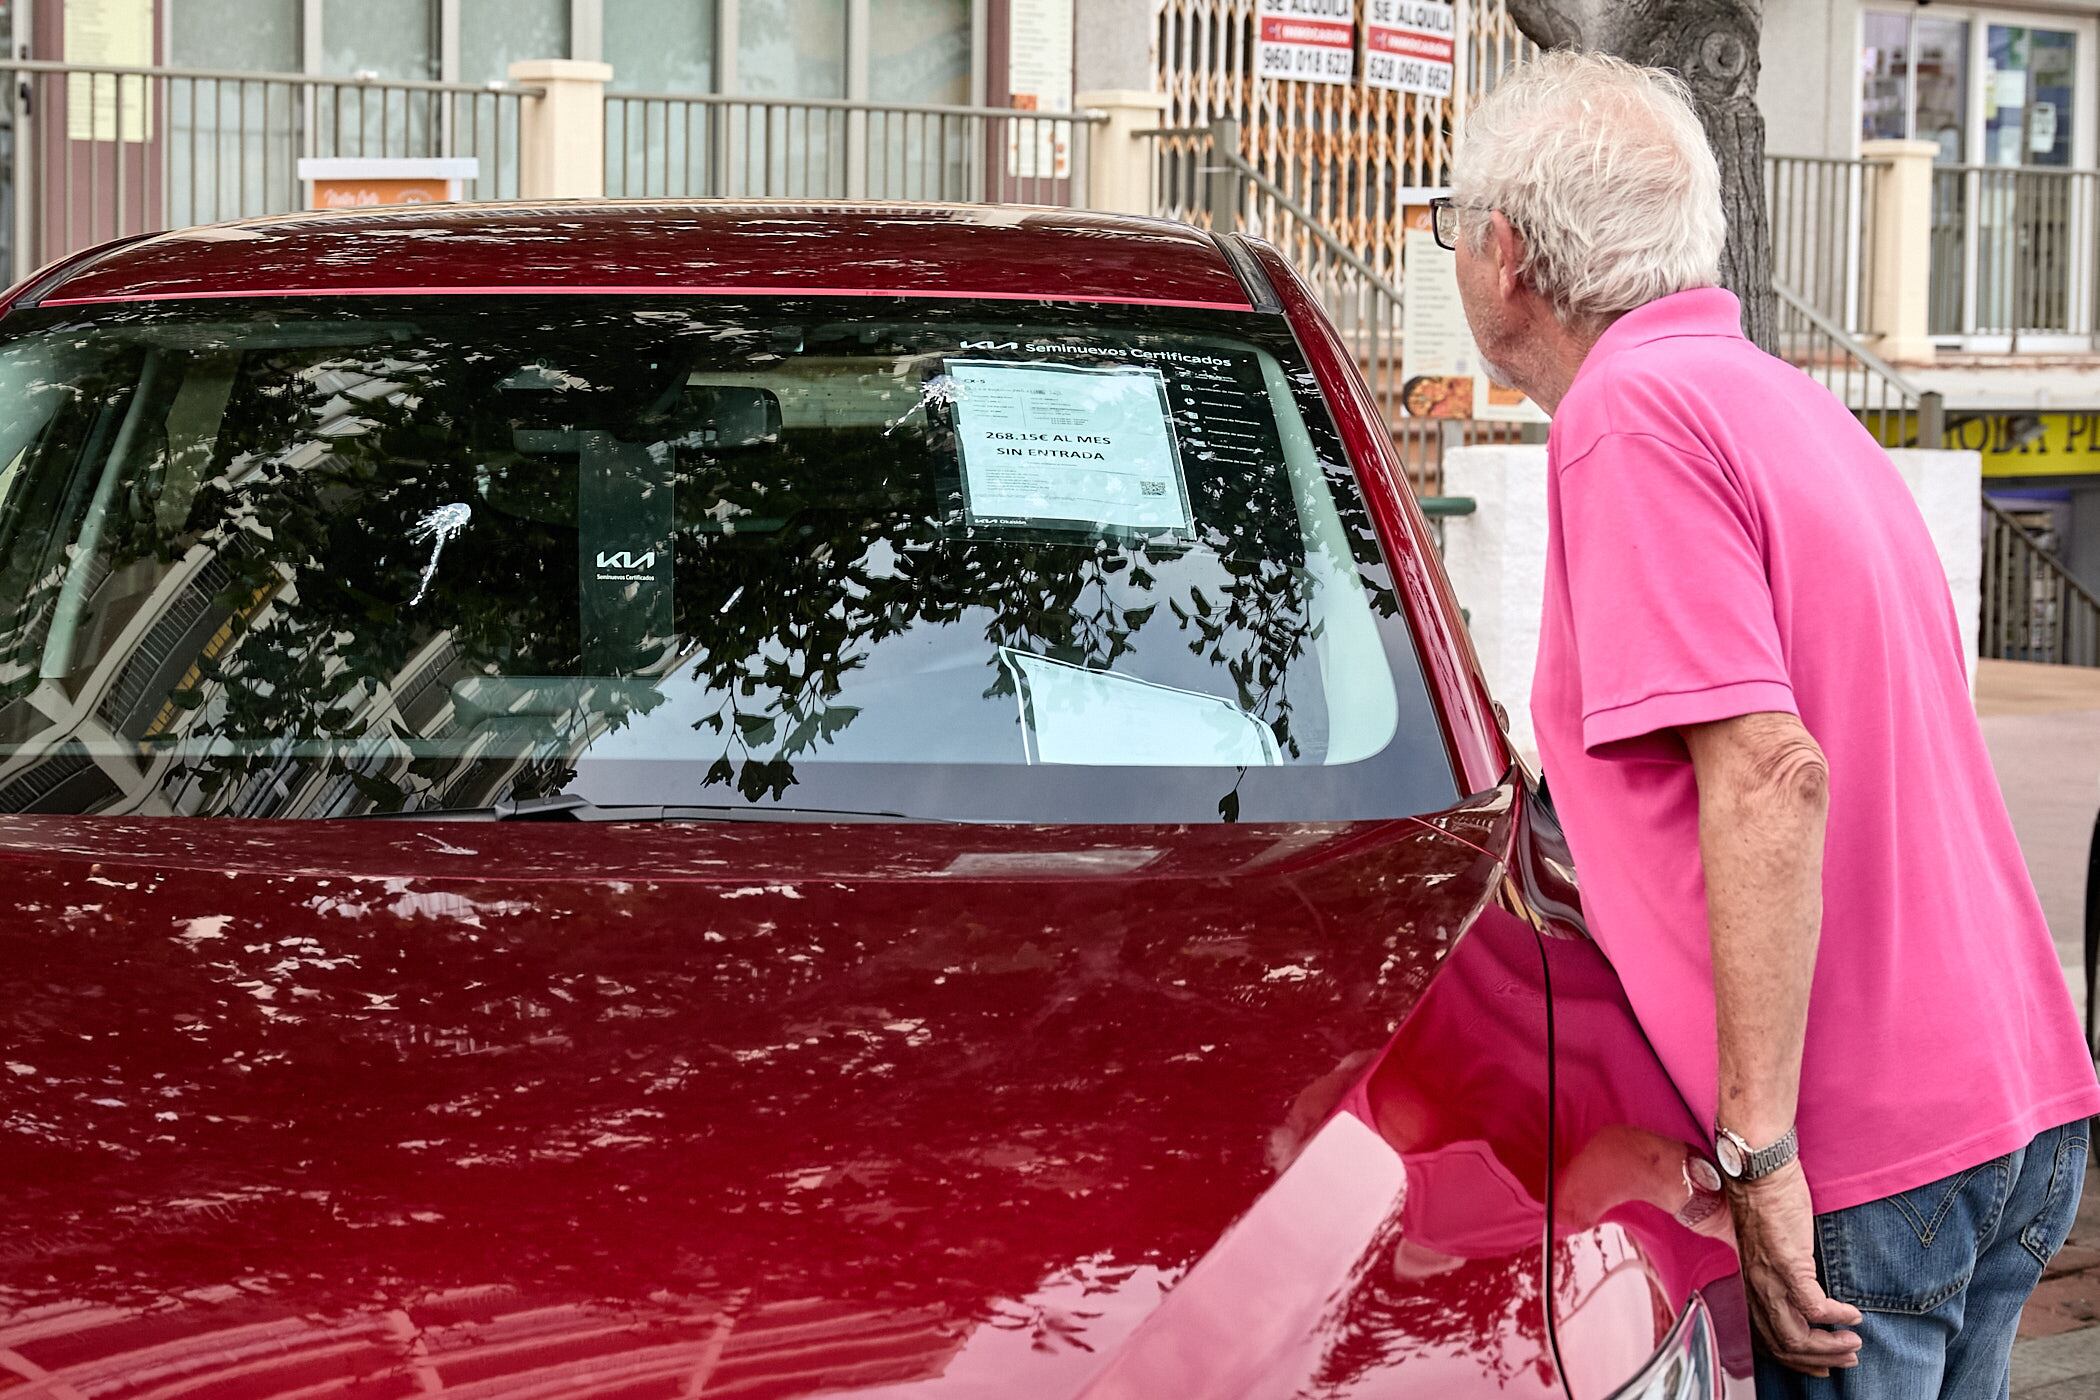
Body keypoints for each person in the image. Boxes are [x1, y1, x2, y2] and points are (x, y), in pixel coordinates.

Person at [1437, 50, 2100, 1398]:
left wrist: (1761, 1154)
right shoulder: (1784, 401)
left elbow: (1768, 775)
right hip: (2016, 1107)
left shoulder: (1626, 417)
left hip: (1869, 1163)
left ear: (1506, 254)